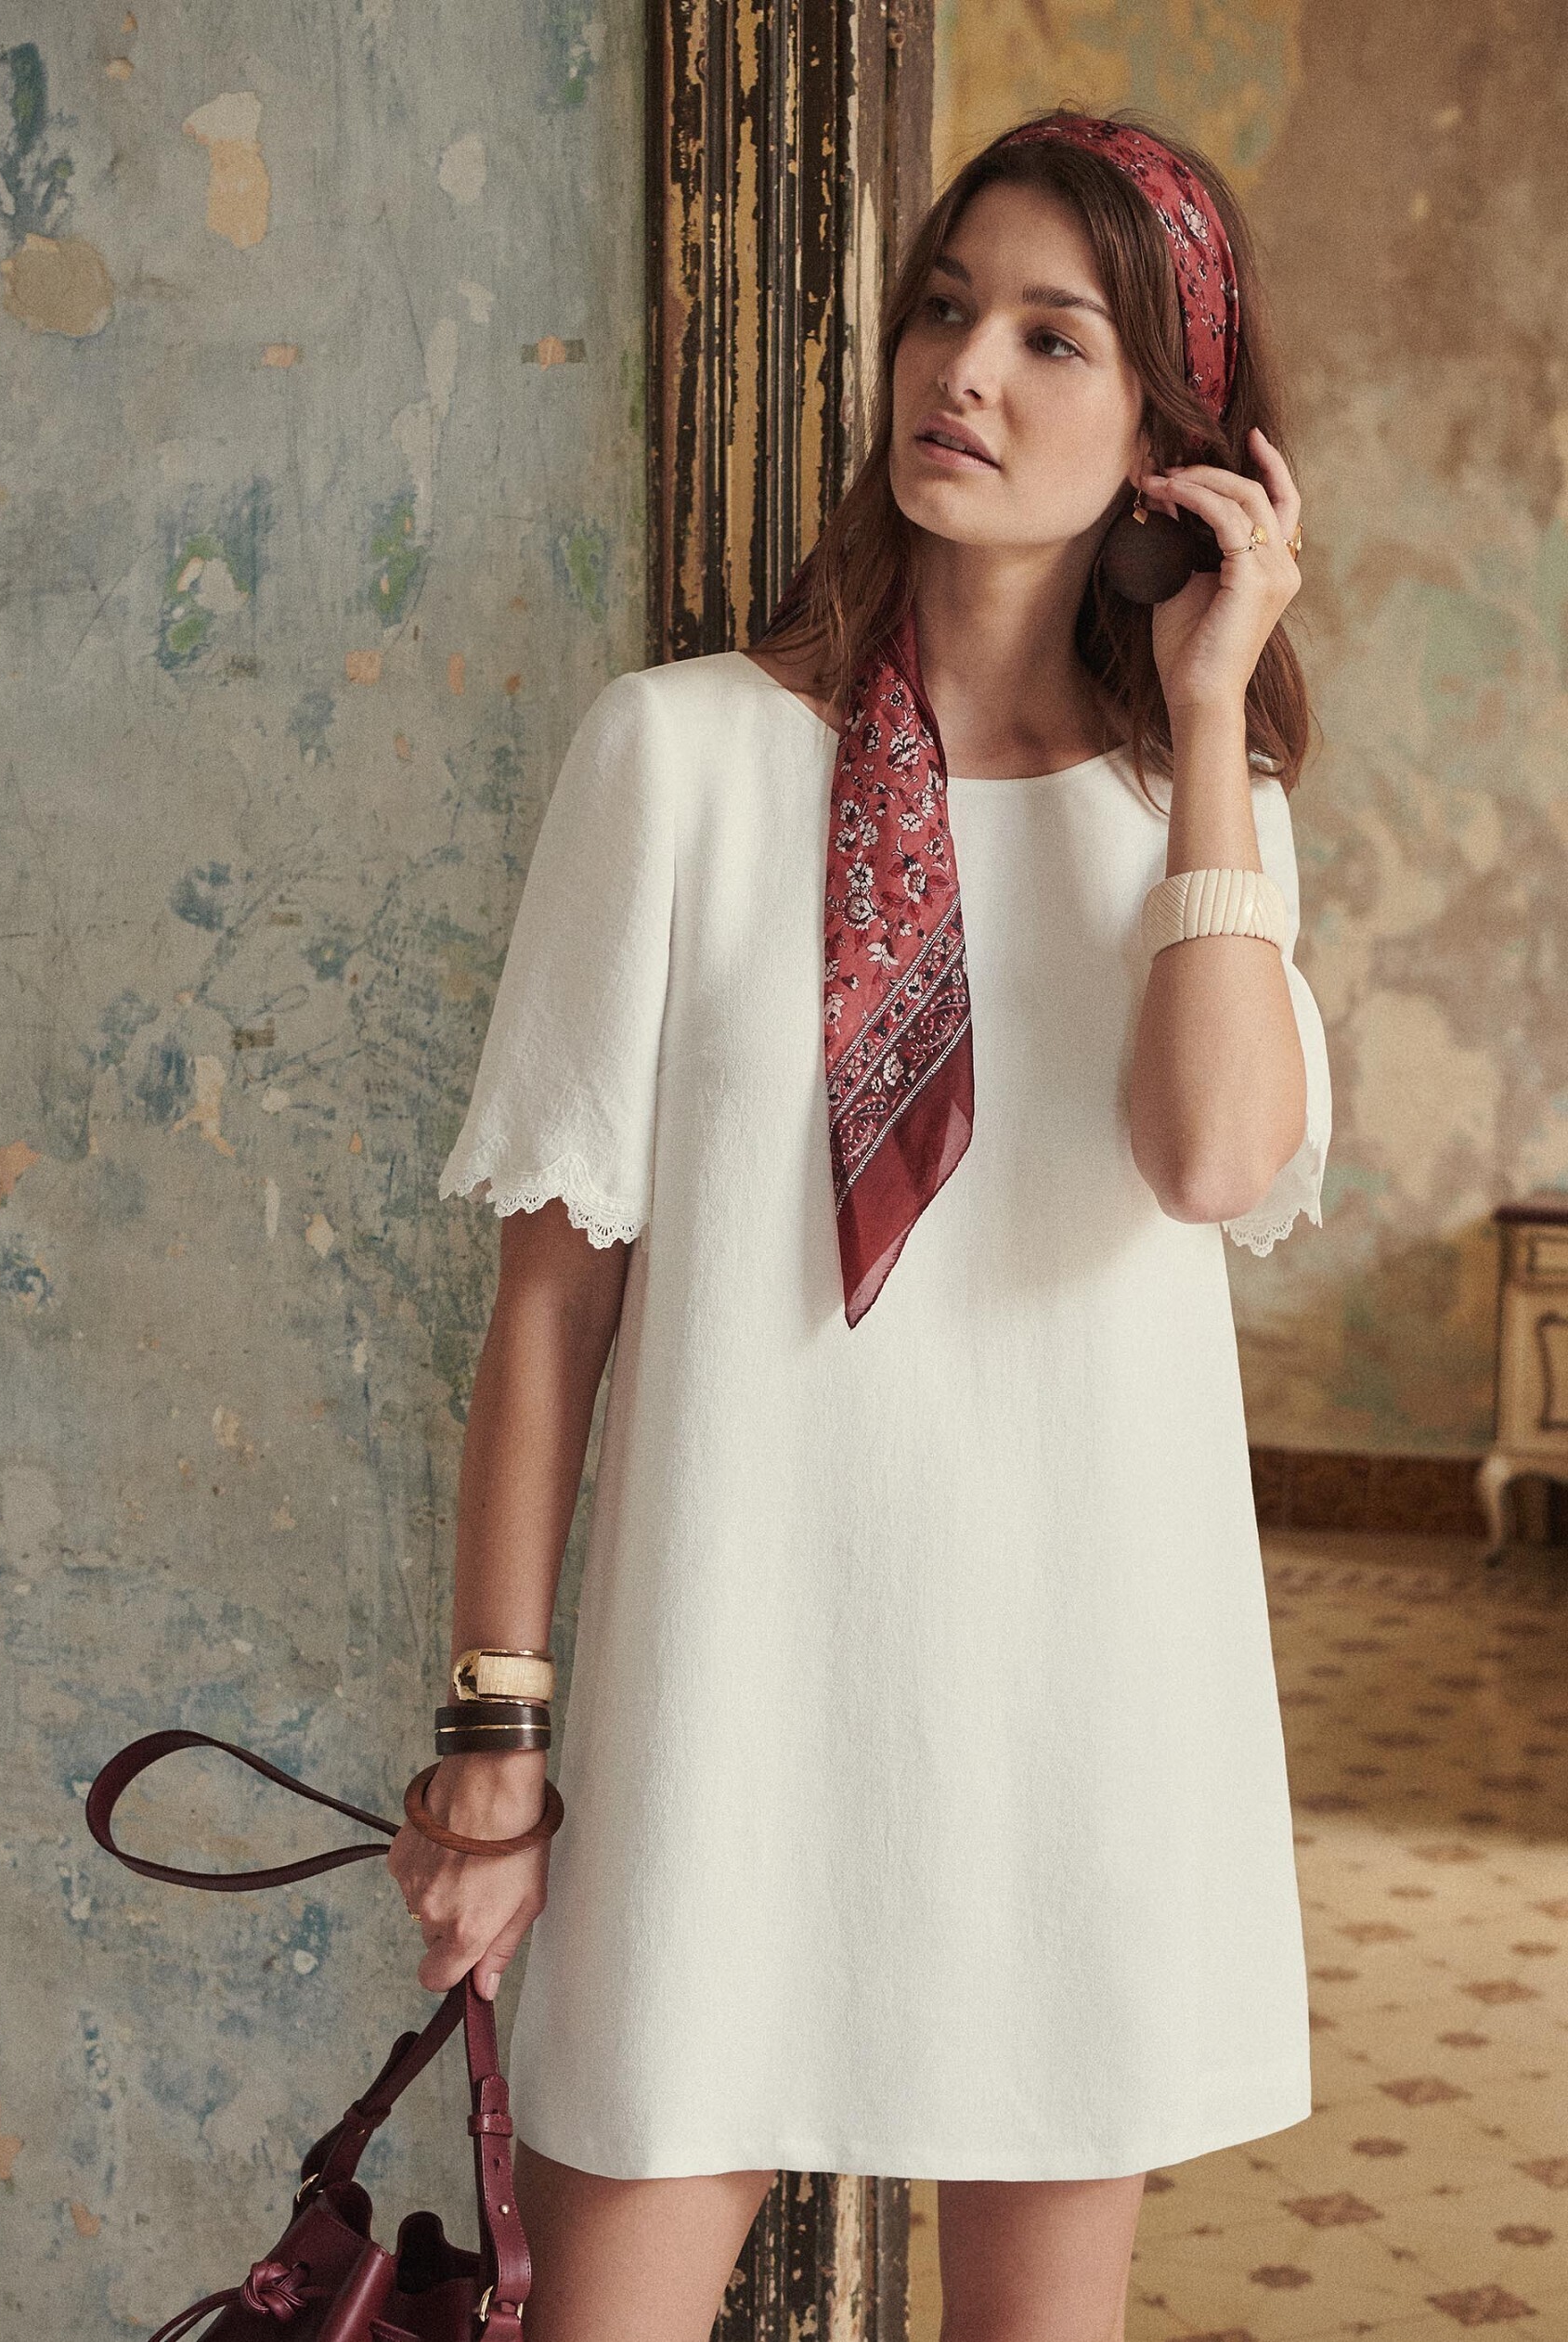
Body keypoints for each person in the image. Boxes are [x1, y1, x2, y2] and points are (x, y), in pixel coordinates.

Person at [388, 106, 1332, 2342]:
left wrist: (1211, 716)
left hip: (1077, 1710)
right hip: (731, 1700)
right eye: (943, 307)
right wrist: (497, 1733)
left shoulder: (1201, 817)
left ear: (1167, 445)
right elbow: (552, 1305)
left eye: (1050, 337)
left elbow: (1213, 1160)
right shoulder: (680, 761)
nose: (965, 370)